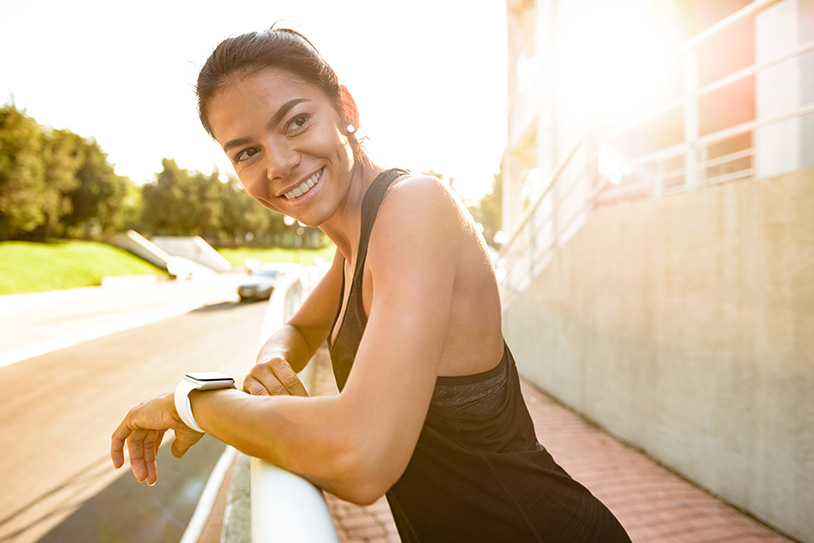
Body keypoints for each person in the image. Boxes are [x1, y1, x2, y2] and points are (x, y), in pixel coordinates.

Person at [110, 26, 632, 542]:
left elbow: (363, 458)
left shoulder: (413, 207)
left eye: (295, 121)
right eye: (246, 152)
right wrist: (275, 357)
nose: (279, 163)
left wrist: (195, 403)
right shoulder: (353, 248)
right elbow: (298, 328)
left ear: (346, 109)